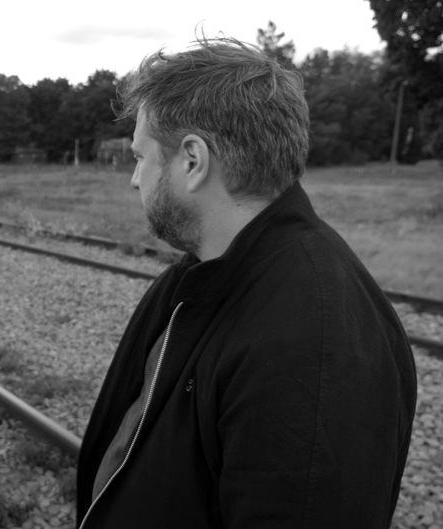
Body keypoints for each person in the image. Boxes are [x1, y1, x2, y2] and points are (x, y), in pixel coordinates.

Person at [76, 37, 417, 529]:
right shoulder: (205, 272)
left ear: (192, 161)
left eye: (140, 157)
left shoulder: (313, 345)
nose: (134, 178)